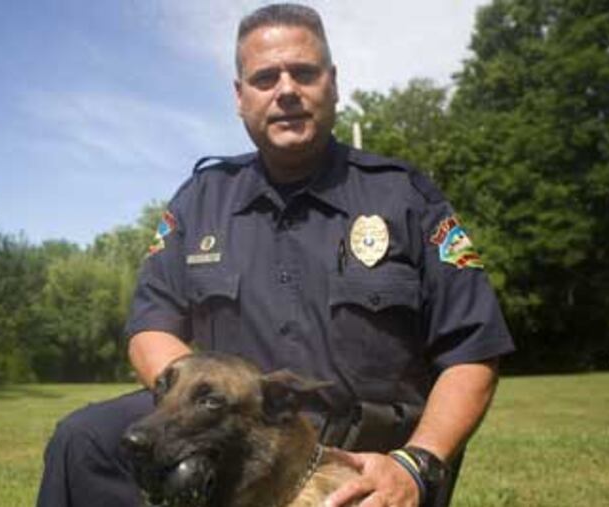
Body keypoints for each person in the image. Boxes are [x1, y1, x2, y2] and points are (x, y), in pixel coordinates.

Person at [36, 4, 514, 507]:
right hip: (236, 443)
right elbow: (150, 328)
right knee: (84, 441)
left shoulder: (404, 197)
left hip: (358, 466)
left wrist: (416, 463)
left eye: (304, 73)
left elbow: (472, 351)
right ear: (240, 97)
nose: (286, 90)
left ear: (333, 83)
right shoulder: (201, 200)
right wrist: (205, 407)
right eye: (265, 78)